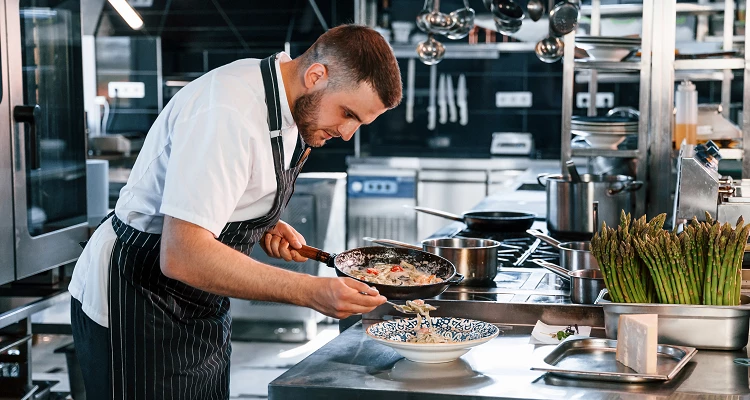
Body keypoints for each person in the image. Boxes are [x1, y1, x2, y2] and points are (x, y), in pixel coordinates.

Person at [69, 24, 402, 399]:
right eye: (347, 113)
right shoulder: (229, 109)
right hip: (139, 298)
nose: (346, 133)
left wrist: (259, 222)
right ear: (316, 75)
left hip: (196, 305)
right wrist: (312, 291)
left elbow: (219, 186)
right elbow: (181, 255)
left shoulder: (288, 105)